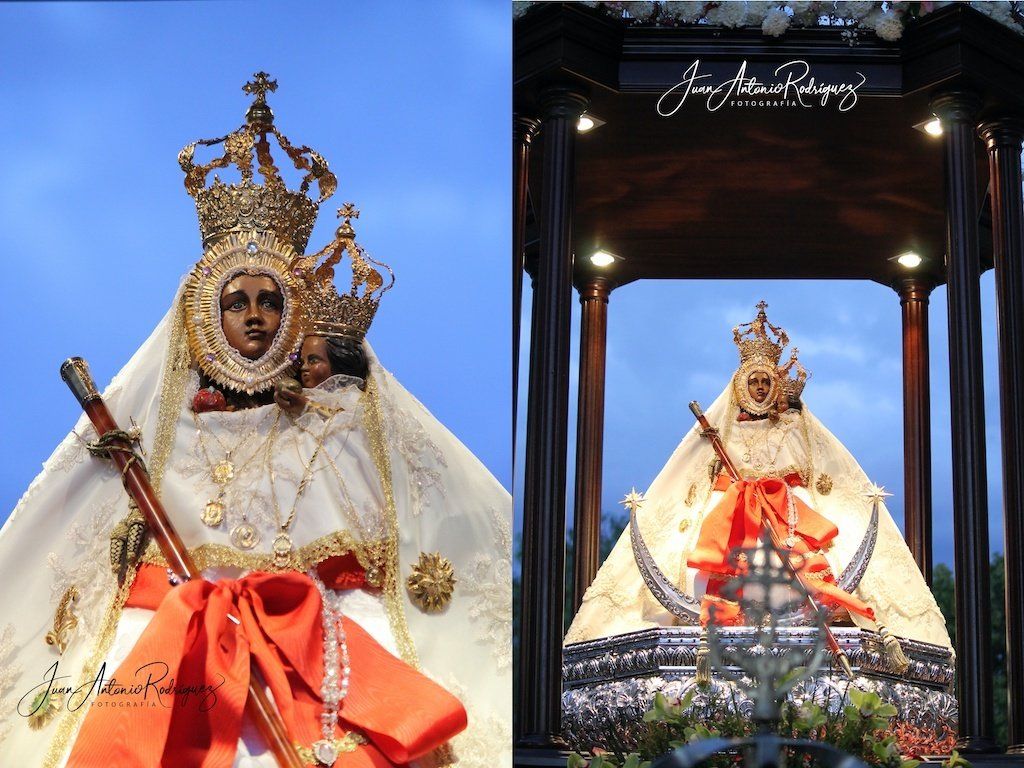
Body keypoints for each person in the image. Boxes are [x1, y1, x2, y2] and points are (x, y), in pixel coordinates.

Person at [0, 74, 512, 768]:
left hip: (318, 650)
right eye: (235, 300)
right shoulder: (154, 434)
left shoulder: (337, 428)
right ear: (204, 313)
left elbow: (396, 540)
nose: (252, 314)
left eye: (269, 300)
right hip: (173, 653)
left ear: (289, 312)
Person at [565, 302, 950, 651]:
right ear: (742, 384)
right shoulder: (722, 429)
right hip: (733, 513)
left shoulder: (795, 425)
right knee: (705, 563)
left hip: (789, 516)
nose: (761, 388)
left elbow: (822, 471)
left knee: (810, 567)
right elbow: (695, 472)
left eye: (767, 382)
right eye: (755, 382)